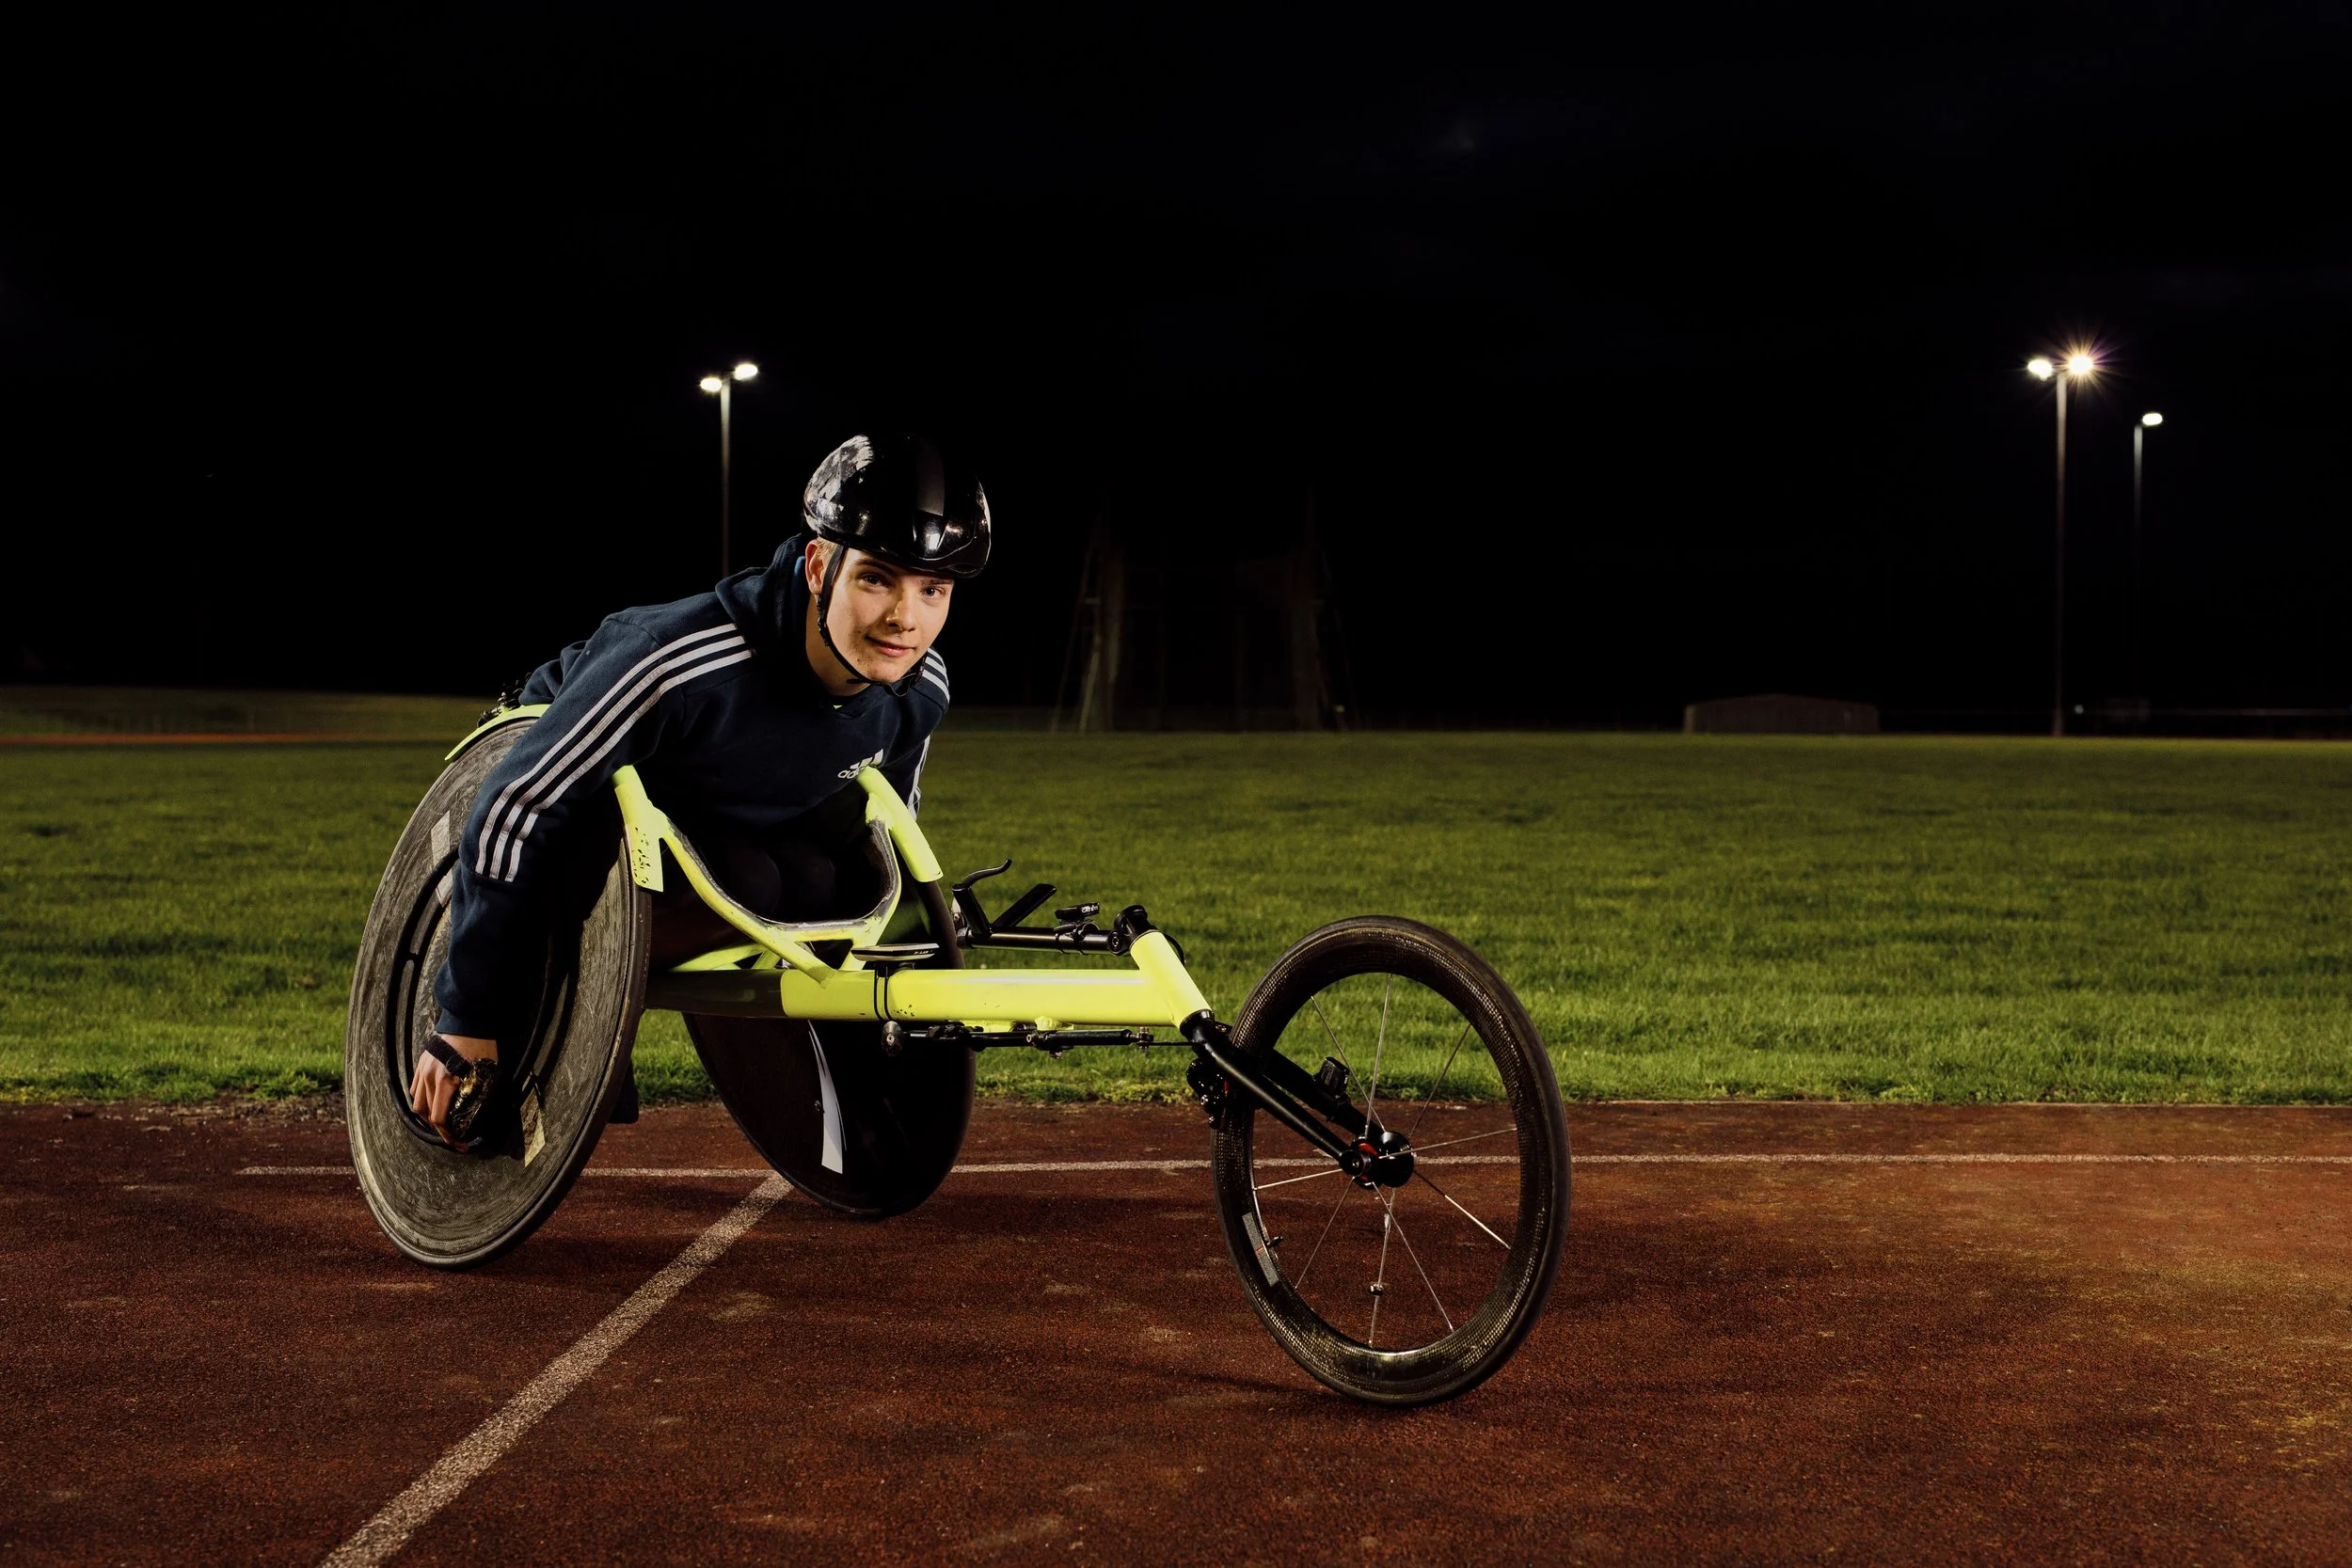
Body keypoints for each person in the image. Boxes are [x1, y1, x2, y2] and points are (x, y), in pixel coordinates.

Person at [408, 433, 990, 1147]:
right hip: (571, 801)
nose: (906, 618)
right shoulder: (676, 660)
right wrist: (467, 1015)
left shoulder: (919, 686)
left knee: (809, 876)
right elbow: (515, 808)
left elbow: (886, 824)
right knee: (750, 875)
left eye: (932, 590)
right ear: (818, 566)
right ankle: (544, 989)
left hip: (712, 814)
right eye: (876, 579)